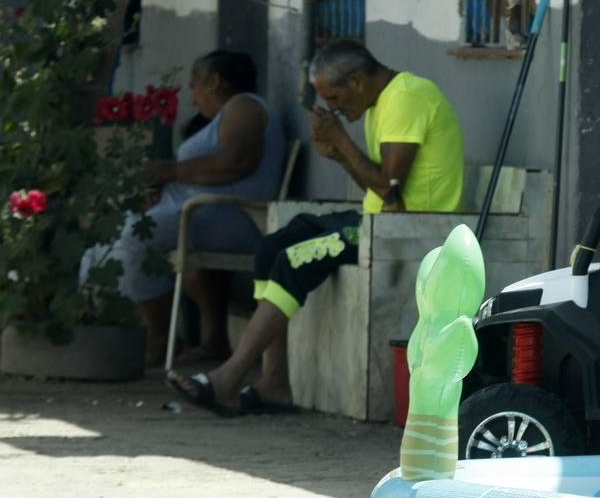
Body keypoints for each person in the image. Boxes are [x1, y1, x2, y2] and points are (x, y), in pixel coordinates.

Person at [166, 39, 464, 415]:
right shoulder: (378, 103)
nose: (333, 109)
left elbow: (389, 188)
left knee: (295, 259)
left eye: (335, 97)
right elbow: (375, 185)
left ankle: (228, 378)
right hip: (377, 222)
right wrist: (340, 154)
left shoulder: (406, 98)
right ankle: (274, 382)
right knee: (273, 246)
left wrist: (342, 142)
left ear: (356, 80)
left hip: (409, 230)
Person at [81, 50, 285, 367]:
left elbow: (237, 162)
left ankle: (158, 336)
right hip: (203, 213)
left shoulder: (243, 106)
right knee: (105, 246)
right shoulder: (225, 115)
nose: (193, 98)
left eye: (194, 86)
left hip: (232, 217)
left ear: (214, 81)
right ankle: (178, 336)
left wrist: (169, 172)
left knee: (131, 239)